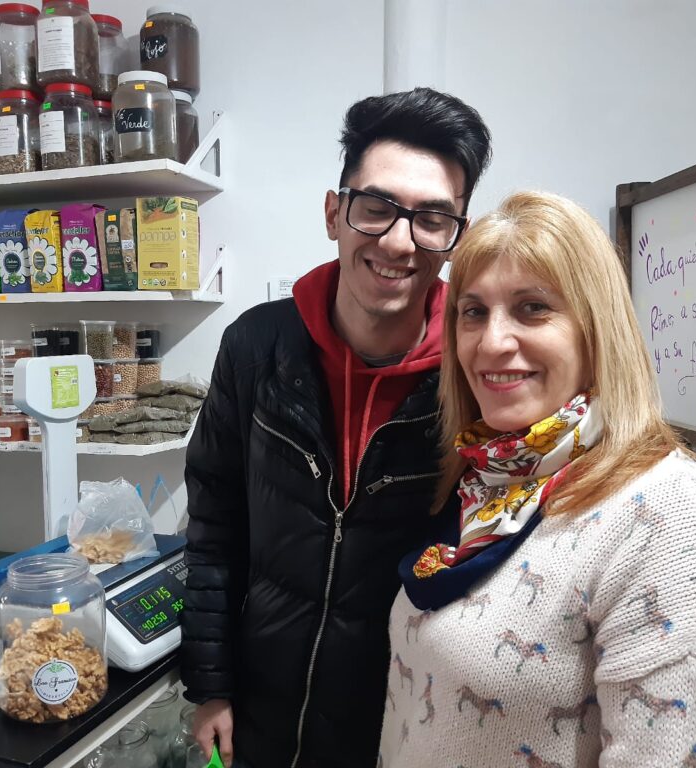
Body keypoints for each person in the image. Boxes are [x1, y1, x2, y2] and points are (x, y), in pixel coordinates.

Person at [379, 190, 696, 766]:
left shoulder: (668, 517)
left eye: (533, 307)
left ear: (596, 328)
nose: (491, 342)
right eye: (474, 311)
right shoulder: (492, 479)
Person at [180, 88, 492, 768]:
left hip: (397, 721)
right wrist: (210, 686)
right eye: (376, 207)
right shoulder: (256, 347)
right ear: (334, 213)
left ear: (457, 237)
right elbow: (213, 526)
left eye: (432, 219)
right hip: (259, 708)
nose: (399, 242)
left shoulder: (475, 373)